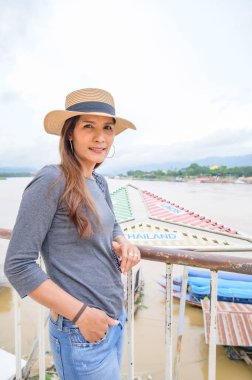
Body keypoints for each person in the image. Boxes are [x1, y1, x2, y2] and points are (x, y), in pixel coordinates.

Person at [4, 88, 141, 380]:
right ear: (69, 133)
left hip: (112, 322)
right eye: (88, 126)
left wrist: (123, 241)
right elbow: (18, 265)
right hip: (82, 331)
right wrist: (82, 315)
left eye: (107, 128)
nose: (100, 137)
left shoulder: (98, 182)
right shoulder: (52, 180)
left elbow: (112, 224)